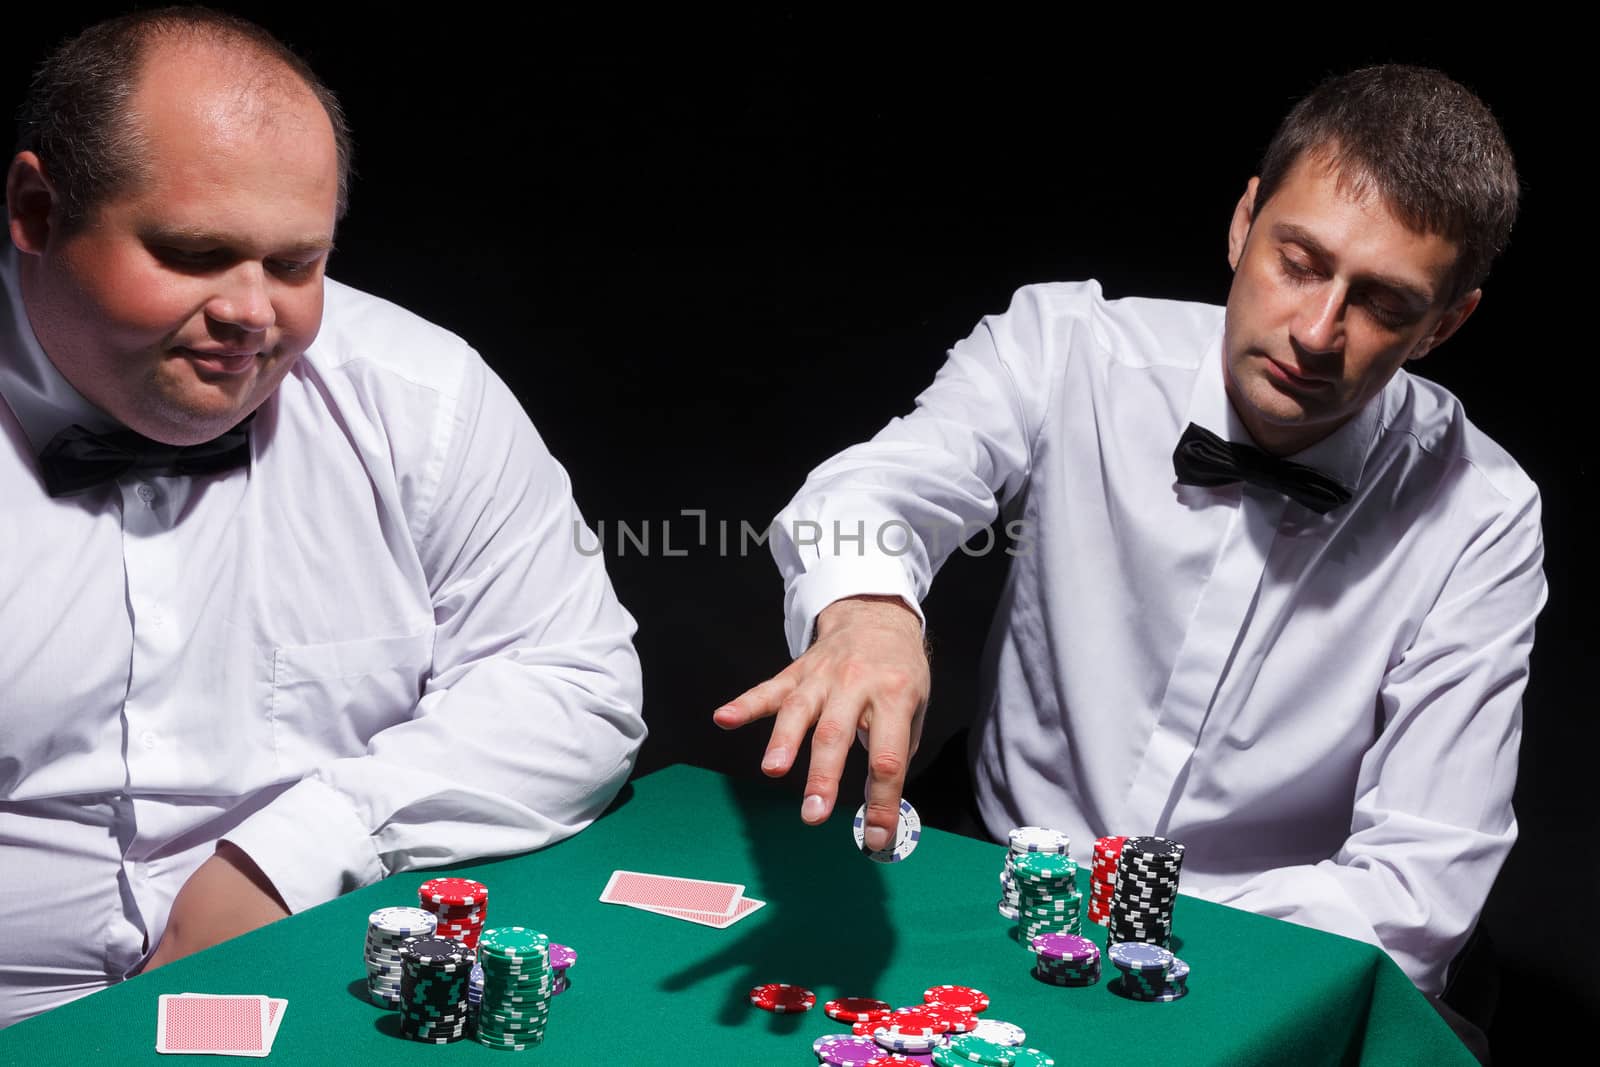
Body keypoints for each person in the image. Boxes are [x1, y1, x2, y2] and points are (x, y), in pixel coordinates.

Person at [715, 63, 1544, 1021]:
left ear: (1446, 323)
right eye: (1300, 261)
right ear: (1243, 222)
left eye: (1384, 303)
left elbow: (1416, 890)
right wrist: (868, 609)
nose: (1318, 332)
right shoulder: (1065, 345)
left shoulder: (1485, 511)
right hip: (989, 876)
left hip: (1270, 956)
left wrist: (1142, 945)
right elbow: (873, 488)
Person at [0, 8, 645, 1028]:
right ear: (35, 210)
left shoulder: (421, 396)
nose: (253, 313)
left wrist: (289, 853)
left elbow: (573, 682)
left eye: (296, 264)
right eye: (195, 253)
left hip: (320, 990)